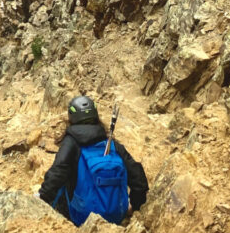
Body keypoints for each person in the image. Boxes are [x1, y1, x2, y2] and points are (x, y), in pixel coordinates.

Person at [39, 95, 148, 224]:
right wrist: (133, 206)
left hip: (82, 217)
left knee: (64, 183)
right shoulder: (112, 144)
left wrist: (42, 198)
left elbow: (57, 172)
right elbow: (139, 179)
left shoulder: (71, 143)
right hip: (117, 215)